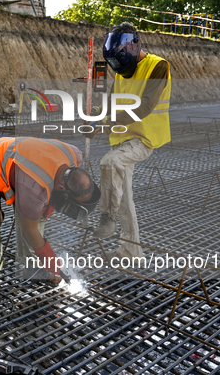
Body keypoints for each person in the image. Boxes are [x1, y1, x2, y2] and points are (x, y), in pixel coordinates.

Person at [0, 137, 100, 293]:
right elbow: (30, 230)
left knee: (38, 215)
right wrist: (54, 265)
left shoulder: (74, 155)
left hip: (16, 163)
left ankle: (32, 267)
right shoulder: (35, 187)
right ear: (62, 188)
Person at [92, 22, 171, 260]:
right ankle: (131, 253)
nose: (117, 70)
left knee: (109, 163)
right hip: (121, 137)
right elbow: (111, 105)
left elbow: (145, 106)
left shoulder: (158, 66)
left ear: (135, 46)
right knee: (124, 199)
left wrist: (105, 121)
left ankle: (107, 217)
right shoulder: (121, 72)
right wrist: (94, 116)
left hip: (144, 138)